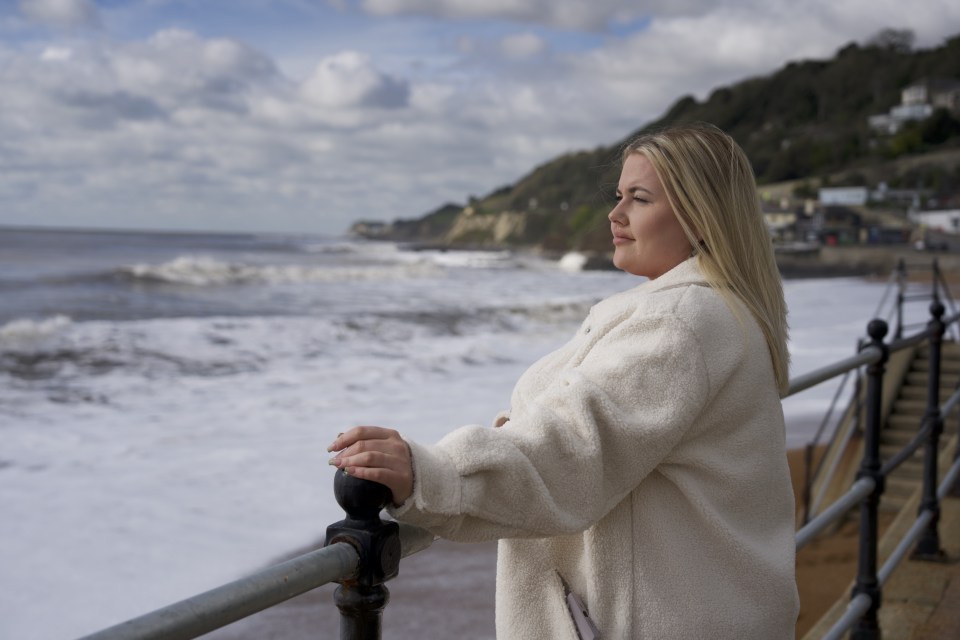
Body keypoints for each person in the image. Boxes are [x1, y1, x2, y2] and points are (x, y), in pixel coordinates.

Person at [327, 123, 799, 639]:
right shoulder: (718, 309)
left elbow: (573, 451)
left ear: (702, 215)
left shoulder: (680, 323)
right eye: (619, 196)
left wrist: (429, 473)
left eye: (639, 199)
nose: (615, 215)